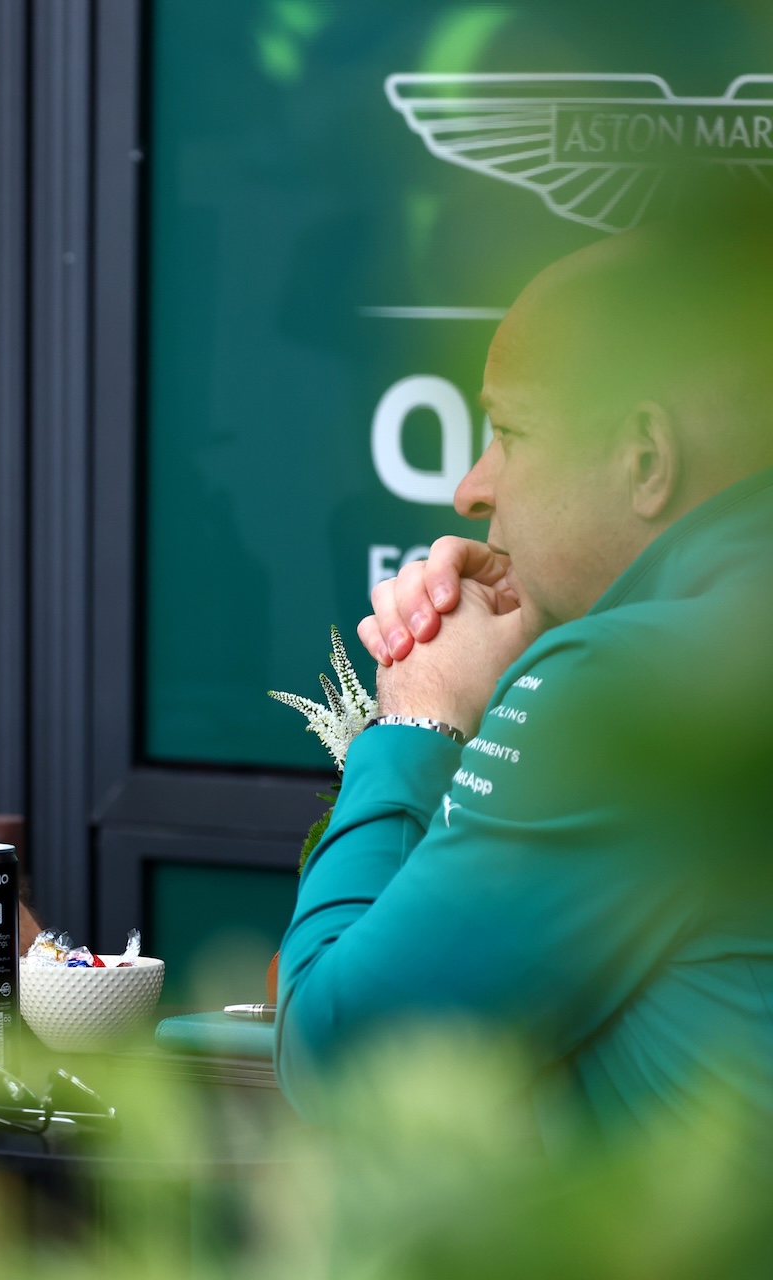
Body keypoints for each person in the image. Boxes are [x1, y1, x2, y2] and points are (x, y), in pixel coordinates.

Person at [275, 207, 773, 1137]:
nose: (472, 486)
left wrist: (420, 722)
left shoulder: (627, 686)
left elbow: (339, 1058)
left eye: (510, 429)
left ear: (646, 458)